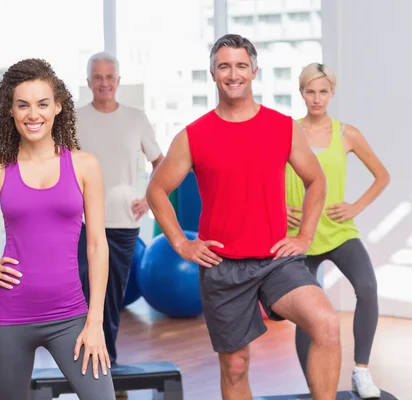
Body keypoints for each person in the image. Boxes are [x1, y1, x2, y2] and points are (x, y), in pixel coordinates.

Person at [146, 34, 342, 400]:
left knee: (326, 323)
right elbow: (156, 190)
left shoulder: (283, 127)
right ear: (213, 73)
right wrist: (181, 244)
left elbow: (316, 180)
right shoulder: (193, 135)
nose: (233, 74)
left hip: (275, 261)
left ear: (254, 70)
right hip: (222, 266)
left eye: (240, 65)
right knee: (235, 367)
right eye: (224, 66)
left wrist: (304, 237)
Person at [0, 58, 116, 400]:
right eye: (23, 105)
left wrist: (95, 322)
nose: (34, 114)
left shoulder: (84, 165)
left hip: (70, 317)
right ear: (10, 111)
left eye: (43, 104)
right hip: (8, 318)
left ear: (58, 107)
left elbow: (97, 246)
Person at [287, 62, 390, 399]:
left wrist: (355, 207)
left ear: (332, 93)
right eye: (310, 91)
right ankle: (313, 385)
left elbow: (382, 175)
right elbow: (262, 174)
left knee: (367, 287)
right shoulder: (287, 131)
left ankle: (361, 372)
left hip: (338, 230)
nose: (316, 99)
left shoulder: (346, 133)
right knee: (308, 313)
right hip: (299, 236)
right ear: (301, 93)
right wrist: (276, 209)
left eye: (323, 92)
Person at [76, 51, 163, 371]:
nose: (104, 83)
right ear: (88, 82)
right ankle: (82, 357)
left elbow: (161, 163)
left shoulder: (136, 118)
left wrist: (149, 198)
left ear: (118, 81)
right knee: (84, 289)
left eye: (109, 77)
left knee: (111, 298)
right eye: (97, 77)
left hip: (123, 223)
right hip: (83, 222)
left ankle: (105, 361)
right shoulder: (73, 117)